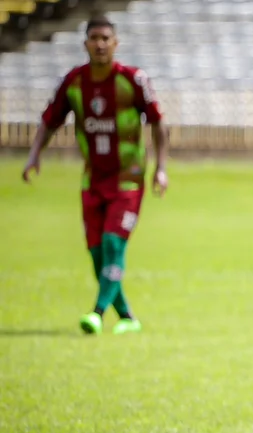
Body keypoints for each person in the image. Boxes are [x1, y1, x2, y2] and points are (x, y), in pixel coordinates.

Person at [22, 14, 169, 335]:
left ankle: (97, 313)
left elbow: (158, 122)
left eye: (106, 38)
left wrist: (160, 168)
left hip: (128, 180)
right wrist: (34, 156)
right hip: (93, 180)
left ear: (115, 43)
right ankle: (127, 318)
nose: (100, 44)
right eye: (94, 38)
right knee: (96, 253)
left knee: (114, 244)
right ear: (85, 43)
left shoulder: (132, 79)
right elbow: (50, 120)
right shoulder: (75, 82)